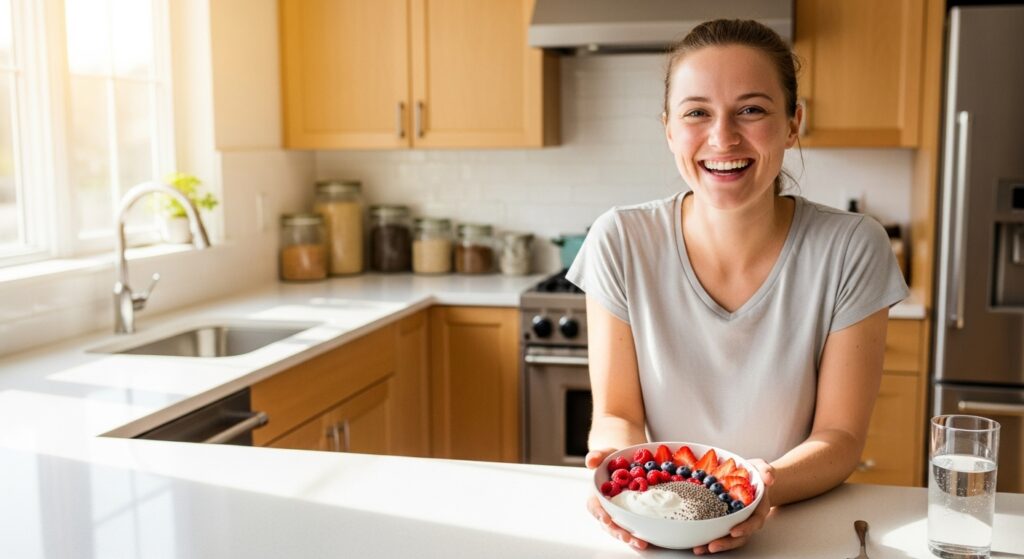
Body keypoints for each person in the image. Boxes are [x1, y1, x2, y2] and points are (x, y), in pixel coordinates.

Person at [566, 19, 908, 554]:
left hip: (799, 526)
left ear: (793, 123)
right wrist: (617, 477)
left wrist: (759, 491)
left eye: (752, 110)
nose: (723, 138)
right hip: (665, 523)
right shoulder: (620, 239)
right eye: (697, 112)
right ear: (669, 129)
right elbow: (617, 415)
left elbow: (839, 439)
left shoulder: (852, 247)